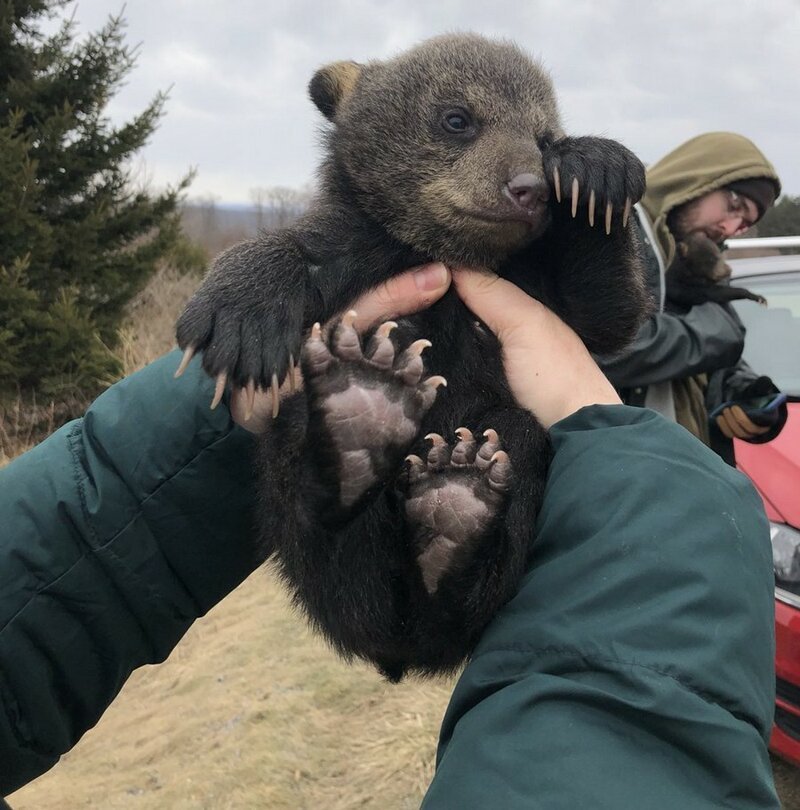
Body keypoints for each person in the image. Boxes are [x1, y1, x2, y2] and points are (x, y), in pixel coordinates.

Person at [0, 264, 780, 807]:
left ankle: (400, 509)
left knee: (410, 473)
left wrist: (214, 398)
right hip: (402, 541)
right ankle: (393, 503)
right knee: (403, 471)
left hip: (419, 525)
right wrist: (642, 478)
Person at [600, 131, 787, 465]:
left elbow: (713, 363)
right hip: (616, 474)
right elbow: (602, 349)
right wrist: (711, 334)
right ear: (696, 178)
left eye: (743, 224)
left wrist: (743, 394)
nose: (730, 227)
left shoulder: (697, 258)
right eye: (734, 206)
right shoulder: (610, 229)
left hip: (686, 477)